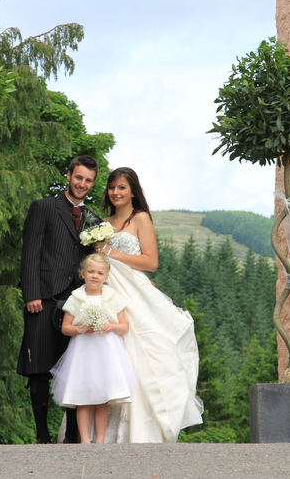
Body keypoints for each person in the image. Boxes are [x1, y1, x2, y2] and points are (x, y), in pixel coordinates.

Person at [94, 167, 203, 443]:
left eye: (122, 187)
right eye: (112, 187)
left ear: (133, 191)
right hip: (108, 293)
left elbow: (151, 262)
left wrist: (112, 252)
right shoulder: (101, 223)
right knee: (108, 353)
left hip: (133, 293)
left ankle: (141, 428)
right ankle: (99, 432)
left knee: (142, 352)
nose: (116, 192)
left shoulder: (140, 218)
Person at [17, 155, 100, 444]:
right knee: (40, 369)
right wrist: (32, 294)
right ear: (68, 176)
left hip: (78, 302)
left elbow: (96, 262)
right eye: (78, 177)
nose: (82, 184)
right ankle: (42, 435)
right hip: (44, 298)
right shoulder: (43, 207)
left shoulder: (94, 219)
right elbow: (30, 252)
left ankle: (72, 437)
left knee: (74, 368)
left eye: (88, 180)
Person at [50, 253, 138, 444]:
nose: (95, 276)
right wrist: (81, 329)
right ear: (82, 274)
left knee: (102, 399)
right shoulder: (76, 298)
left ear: (106, 277)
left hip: (107, 353)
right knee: (82, 397)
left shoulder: (112, 297)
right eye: (90, 272)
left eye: (99, 273)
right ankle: (84, 439)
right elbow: (65, 328)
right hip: (83, 352)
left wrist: (111, 326)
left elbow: (124, 326)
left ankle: (100, 440)